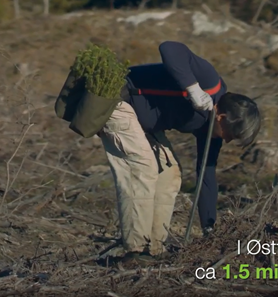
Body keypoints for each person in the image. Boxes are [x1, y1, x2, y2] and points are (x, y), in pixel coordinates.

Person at [97, 41, 261, 260]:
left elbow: (206, 178)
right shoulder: (210, 83)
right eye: (230, 135)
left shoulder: (211, 131)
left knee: (169, 174)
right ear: (222, 118)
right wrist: (192, 88)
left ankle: (154, 250)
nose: (228, 141)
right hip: (114, 98)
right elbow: (170, 48)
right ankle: (135, 251)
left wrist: (209, 231)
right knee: (143, 166)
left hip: (139, 120)